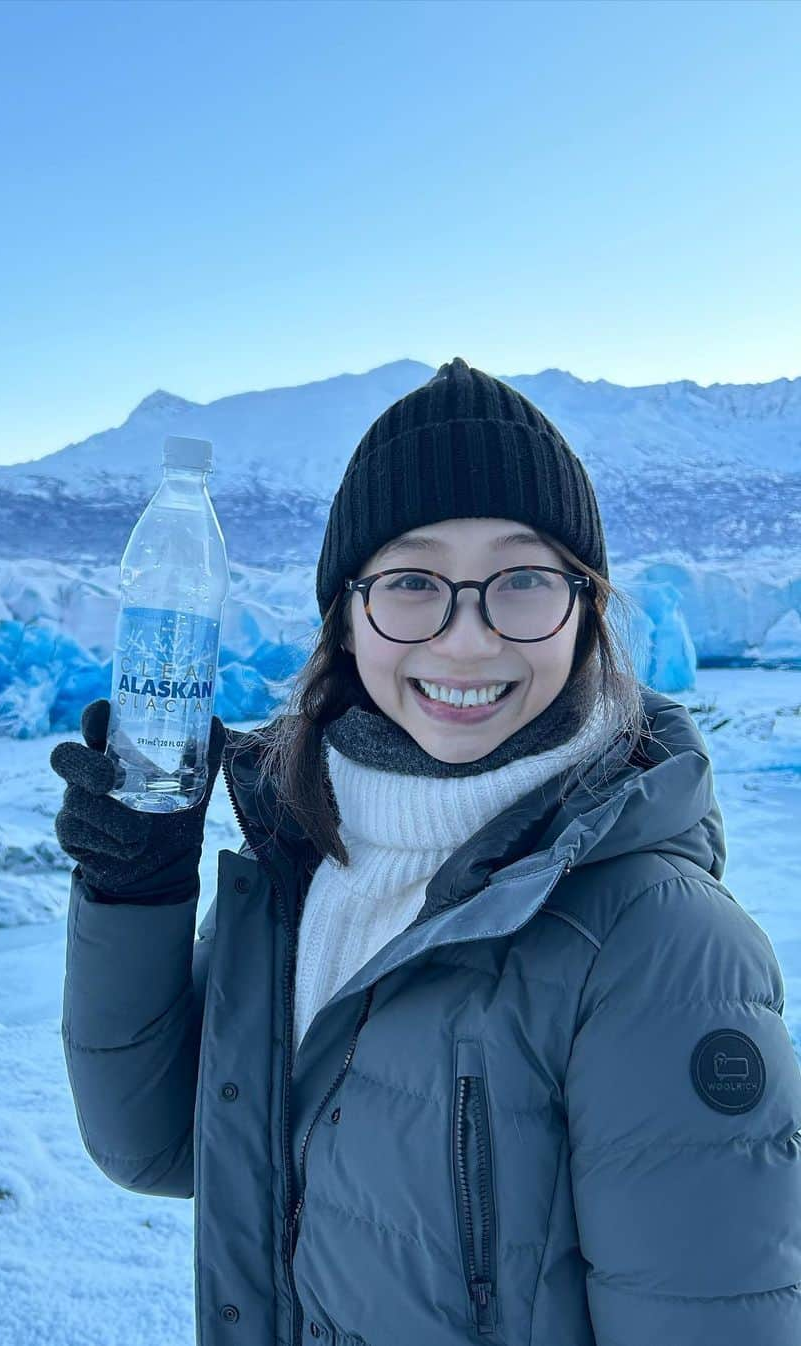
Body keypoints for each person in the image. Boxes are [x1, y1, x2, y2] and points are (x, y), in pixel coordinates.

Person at [52, 356, 801, 1345]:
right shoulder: (311, 860)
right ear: (348, 614)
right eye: (413, 582)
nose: (464, 639)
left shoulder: (658, 948)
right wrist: (135, 892)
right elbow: (153, 1143)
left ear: (585, 610)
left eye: (523, 581)